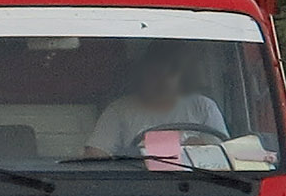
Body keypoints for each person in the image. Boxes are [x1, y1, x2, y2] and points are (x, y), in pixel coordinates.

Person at [85, 41, 228, 158]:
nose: (163, 78)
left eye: (172, 70)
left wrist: (198, 147)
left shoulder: (204, 108)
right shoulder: (119, 110)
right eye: (157, 71)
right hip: (137, 184)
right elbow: (95, 155)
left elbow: (222, 157)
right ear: (144, 72)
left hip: (198, 185)